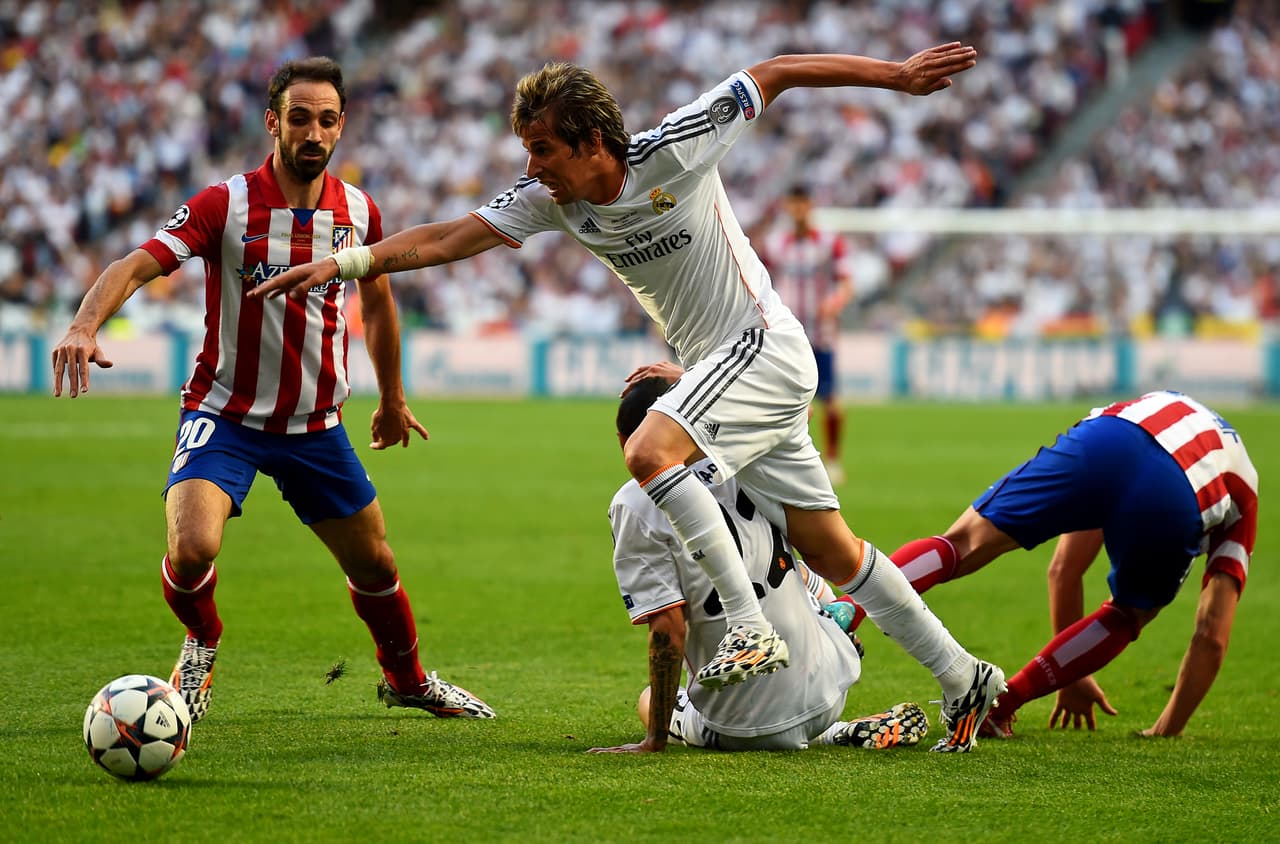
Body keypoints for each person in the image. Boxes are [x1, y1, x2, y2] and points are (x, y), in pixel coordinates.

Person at [250, 43, 1005, 751]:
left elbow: (775, 72)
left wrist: (897, 77)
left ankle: (747, 624)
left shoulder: (675, 145)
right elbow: (450, 239)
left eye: (542, 147)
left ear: (589, 141)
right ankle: (964, 678)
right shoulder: (553, 201)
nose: (531, 164)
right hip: (726, 373)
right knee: (832, 549)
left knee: (649, 449)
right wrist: (345, 264)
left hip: (762, 345)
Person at [51, 57, 494, 722]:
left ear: (341, 125)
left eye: (326, 120)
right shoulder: (223, 204)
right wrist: (85, 324)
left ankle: (408, 680)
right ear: (272, 123)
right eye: (298, 118)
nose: (313, 133)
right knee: (192, 547)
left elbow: (379, 308)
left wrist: (393, 397)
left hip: (315, 425)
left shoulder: (358, 211)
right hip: (224, 412)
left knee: (374, 563)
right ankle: (201, 642)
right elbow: (136, 263)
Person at [870, 391, 1257, 738]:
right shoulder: (1245, 494)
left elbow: (1064, 570)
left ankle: (842, 613)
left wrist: (1075, 677)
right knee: (1127, 614)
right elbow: (1211, 634)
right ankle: (1000, 706)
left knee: (963, 542)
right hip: (1177, 488)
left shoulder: (1170, 404)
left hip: (1111, 435)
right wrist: (1166, 729)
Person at [590, 375, 928, 753]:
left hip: (740, 726)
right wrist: (687, 378)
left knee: (651, 697)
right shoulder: (749, 462)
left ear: (625, 443)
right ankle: (833, 720)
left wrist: (653, 741)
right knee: (794, 567)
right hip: (830, 688)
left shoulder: (633, 503)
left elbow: (668, 628)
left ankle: (765, 725)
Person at [761, 184, 855, 486]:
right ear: (787, 206)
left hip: (820, 332)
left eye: (803, 204)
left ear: (810, 206)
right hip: (787, 334)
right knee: (781, 396)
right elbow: (760, 282)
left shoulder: (829, 242)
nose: (798, 210)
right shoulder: (776, 244)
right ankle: (785, 458)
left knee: (830, 398)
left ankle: (833, 459)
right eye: (793, 204)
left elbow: (845, 283)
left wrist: (835, 302)